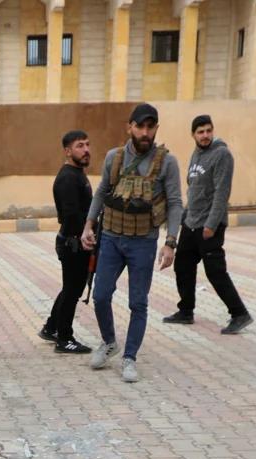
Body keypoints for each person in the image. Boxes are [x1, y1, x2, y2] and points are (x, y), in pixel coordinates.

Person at [81, 103, 183, 383]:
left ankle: (129, 357)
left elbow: (175, 203)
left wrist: (171, 243)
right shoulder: (114, 158)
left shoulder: (167, 162)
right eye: (140, 126)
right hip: (112, 238)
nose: (145, 132)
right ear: (130, 127)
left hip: (143, 242)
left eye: (151, 127)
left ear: (156, 129)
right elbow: (102, 191)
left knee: (138, 303)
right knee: (101, 295)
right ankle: (109, 342)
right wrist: (88, 225)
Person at [164, 115, 253, 334]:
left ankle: (239, 313)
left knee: (215, 272)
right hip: (191, 222)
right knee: (183, 265)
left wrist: (211, 225)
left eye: (208, 131)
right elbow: (194, 190)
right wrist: (185, 218)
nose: (205, 135)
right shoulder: (196, 154)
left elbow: (222, 193)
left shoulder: (221, 155)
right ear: (193, 134)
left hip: (209, 225)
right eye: (200, 131)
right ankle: (185, 311)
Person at [39, 130, 95, 354]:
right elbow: (71, 217)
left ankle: (51, 327)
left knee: (70, 289)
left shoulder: (77, 173)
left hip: (76, 243)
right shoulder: (67, 178)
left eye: (87, 144)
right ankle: (64, 338)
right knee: (72, 291)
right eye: (80, 145)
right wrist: (87, 237)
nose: (86, 149)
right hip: (73, 244)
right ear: (68, 151)